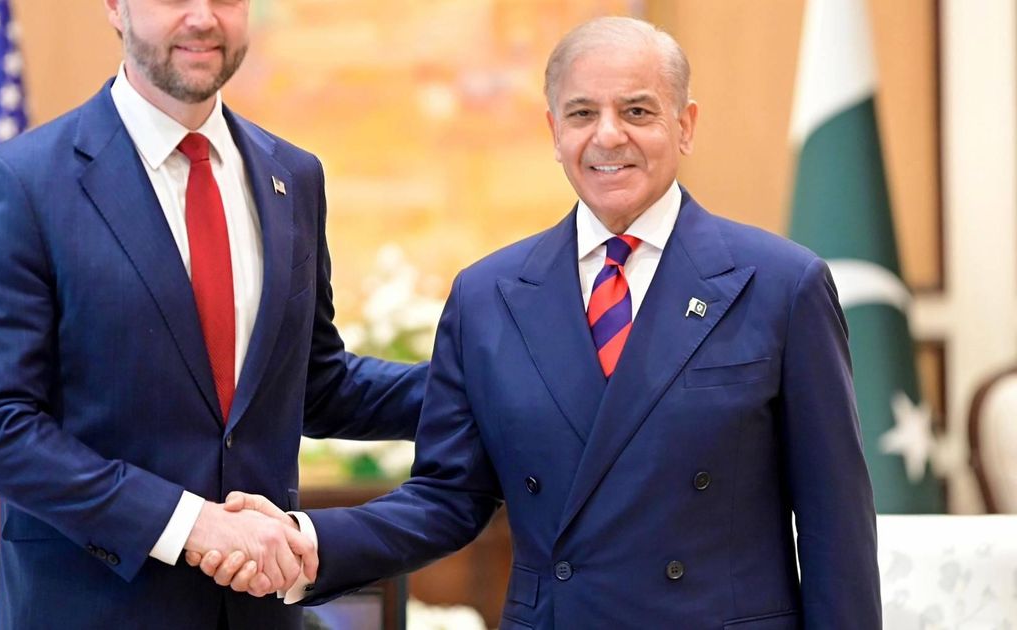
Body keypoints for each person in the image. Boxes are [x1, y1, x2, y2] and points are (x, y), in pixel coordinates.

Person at [202, 16, 883, 628]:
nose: (608, 135)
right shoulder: (487, 296)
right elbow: (448, 497)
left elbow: (836, 526)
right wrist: (307, 541)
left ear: (685, 125)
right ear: (554, 132)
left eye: (637, 110)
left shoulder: (781, 285)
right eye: (582, 113)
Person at [0, 0, 426, 628]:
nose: (202, 17)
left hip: (259, 612)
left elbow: (316, 385)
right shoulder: (24, 182)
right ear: (115, 7)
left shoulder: (294, 176)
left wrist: (487, 388)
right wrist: (189, 524)